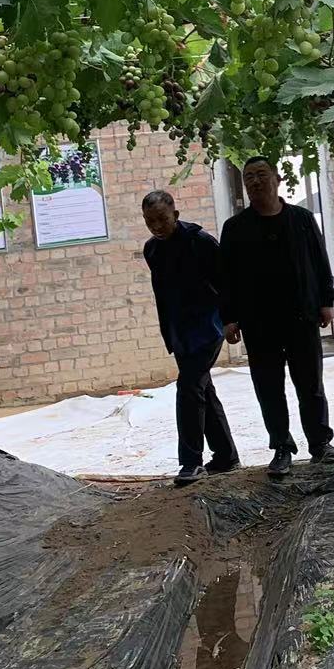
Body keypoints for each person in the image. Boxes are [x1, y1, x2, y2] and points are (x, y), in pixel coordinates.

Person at [218, 157, 334, 477]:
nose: (255, 181)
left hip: (302, 316)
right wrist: (229, 318)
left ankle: (320, 443)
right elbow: (226, 278)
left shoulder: (301, 219)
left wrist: (327, 301)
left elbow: (320, 260)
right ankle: (282, 447)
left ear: (277, 179)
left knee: (311, 384)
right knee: (269, 387)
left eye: (261, 174)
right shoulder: (235, 228)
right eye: (249, 177)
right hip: (258, 321)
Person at [142, 191, 237, 486]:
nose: (157, 226)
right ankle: (226, 456)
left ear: (176, 215)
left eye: (162, 219)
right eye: (150, 221)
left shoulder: (200, 241)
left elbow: (227, 282)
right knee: (202, 388)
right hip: (180, 332)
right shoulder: (152, 250)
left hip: (208, 326)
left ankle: (191, 461)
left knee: (188, 387)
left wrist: (231, 320)